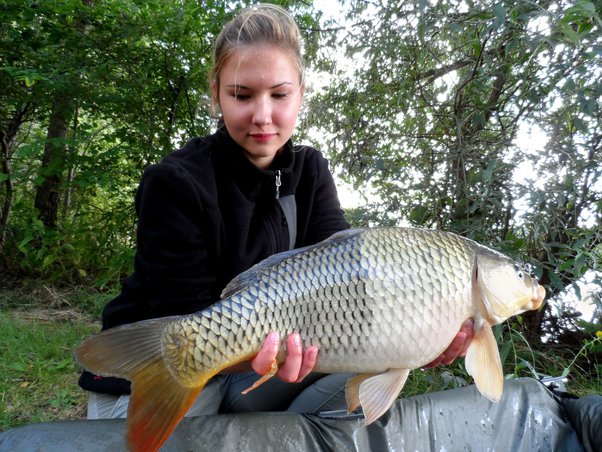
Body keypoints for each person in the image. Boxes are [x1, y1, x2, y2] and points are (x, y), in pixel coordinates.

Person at [78, 3, 474, 419]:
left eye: (280, 94)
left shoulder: (310, 171)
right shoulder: (176, 181)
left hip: (252, 366)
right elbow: (184, 312)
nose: (262, 116)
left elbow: (342, 273)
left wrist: (418, 341)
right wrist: (266, 344)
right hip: (161, 364)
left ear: (301, 92)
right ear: (216, 93)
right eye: (241, 95)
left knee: (378, 370)